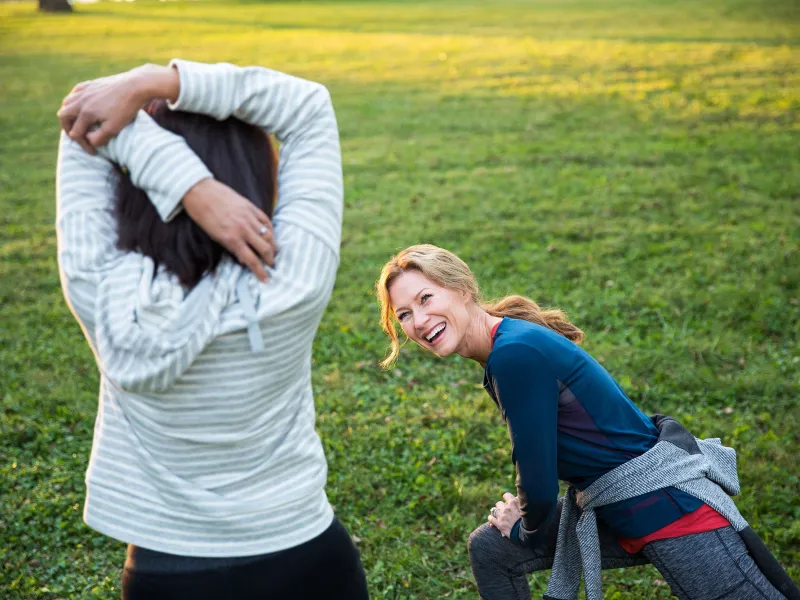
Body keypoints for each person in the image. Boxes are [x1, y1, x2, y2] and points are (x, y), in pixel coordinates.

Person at [56, 60, 369, 599]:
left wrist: (188, 186)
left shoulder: (101, 293)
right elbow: (307, 106)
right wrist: (155, 81)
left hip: (165, 574)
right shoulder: (292, 280)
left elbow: (83, 118)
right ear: (255, 177)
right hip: (306, 560)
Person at [375, 244, 798, 600]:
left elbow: (537, 483)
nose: (419, 320)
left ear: (462, 290)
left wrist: (524, 527)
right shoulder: (506, 343)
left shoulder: (513, 353)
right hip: (612, 503)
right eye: (404, 314)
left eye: (426, 299)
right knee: (491, 550)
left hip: (667, 507)